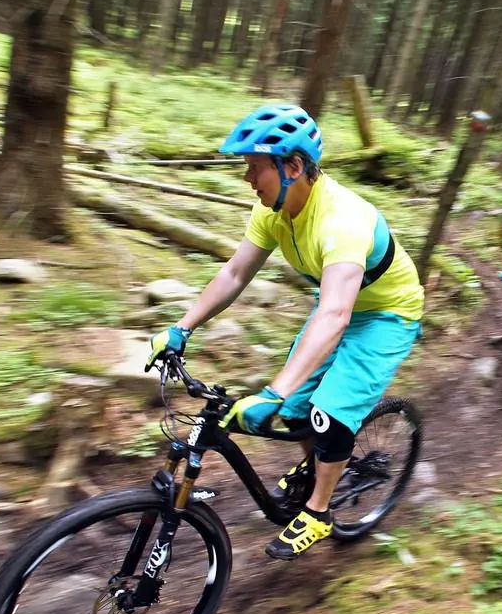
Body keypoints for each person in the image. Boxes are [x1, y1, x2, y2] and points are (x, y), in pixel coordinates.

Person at [147, 104, 425, 561]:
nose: (248, 178)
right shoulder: (274, 212)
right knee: (297, 411)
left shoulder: (343, 221)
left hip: (386, 316)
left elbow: (336, 315)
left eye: (254, 168)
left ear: (293, 166)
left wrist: (273, 390)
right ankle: (321, 466)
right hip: (338, 306)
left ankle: (319, 512)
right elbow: (236, 274)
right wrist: (181, 328)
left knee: (328, 415)